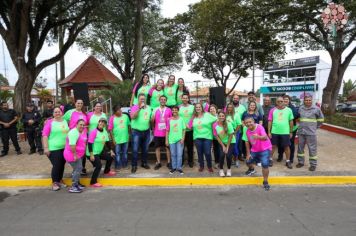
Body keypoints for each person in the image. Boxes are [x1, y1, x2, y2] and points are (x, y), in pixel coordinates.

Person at [42, 107, 69, 191]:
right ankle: (55, 182)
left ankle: (60, 180)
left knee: (62, 165)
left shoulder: (65, 121)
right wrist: (46, 148)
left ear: (62, 113)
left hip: (64, 148)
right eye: (55, 112)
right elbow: (45, 135)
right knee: (57, 165)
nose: (57, 113)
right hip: (53, 148)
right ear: (53, 114)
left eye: (59, 112)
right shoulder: (49, 123)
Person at [296, 96, 324, 171]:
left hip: (311, 133)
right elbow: (298, 118)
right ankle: (301, 162)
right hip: (301, 132)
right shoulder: (301, 108)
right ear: (304, 101)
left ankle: (313, 164)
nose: (308, 101)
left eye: (309, 100)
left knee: (312, 149)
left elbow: (321, 119)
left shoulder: (316, 109)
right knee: (300, 148)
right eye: (306, 100)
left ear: (311, 101)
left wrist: (315, 127)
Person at [87, 118, 116, 187]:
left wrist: (111, 151)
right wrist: (91, 155)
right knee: (98, 165)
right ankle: (93, 182)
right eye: (101, 122)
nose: (102, 123)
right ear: (98, 123)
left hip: (99, 152)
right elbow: (89, 143)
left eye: (104, 123)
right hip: (91, 153)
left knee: (110, 157)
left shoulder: (105, 132)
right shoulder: (94, 132)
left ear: (105, 125)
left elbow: (107, 142)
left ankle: (106, 171)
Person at [244, 117, 272, 191]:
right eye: (246, 123)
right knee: (248, 161)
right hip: (255, 150)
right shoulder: (247, 131)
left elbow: (265, 137)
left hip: (265, 149)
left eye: (250, 122)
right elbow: (247, 142)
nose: (248, 124)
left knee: (265, 164)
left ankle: (265, 181)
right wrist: (248, 153)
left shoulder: (259, 127)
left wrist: (258, 137)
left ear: (253, 121)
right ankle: (251, 169)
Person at [188, 103, 217, 172]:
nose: (198, 108)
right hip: (197, 137)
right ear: (195, 109)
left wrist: (214, 127)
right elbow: (189, 126)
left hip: (207, 137)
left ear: (202, 108)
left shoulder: (207, 114)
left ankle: (209, 166)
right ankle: (201, 166)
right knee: (199, 152)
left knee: (207, 152)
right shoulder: (194, 117)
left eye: (199, 107)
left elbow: (216, 119)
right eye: (196, 107)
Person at [63, 99, 88, 175]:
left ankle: (82, 168)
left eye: (81, 103)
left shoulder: (84, 113)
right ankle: (76, 170)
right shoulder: (70, 112)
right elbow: (62, 119)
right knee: (74, 151)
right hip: (74, 136)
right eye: (78, 103)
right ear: (75, 104)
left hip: (83, 135)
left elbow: (86, 124)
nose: (79, 104)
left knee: (82, 152)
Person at [268, 96, 294, 169]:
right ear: (276, 102)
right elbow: (270, 121)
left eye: (281, 101)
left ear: (284, 102)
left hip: (285, 132)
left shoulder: (289, 110)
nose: (280, 103)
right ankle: (270, 159)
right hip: (274, 132)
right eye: (278, 101)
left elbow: (291, 121)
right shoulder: (272, 110)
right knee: (272, 146)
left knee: (286, 147)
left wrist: (291, 131)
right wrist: (269, 132)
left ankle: (288, 161)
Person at [63, 119, 87, 193]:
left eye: (83, 125)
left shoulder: (80, 131)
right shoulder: (74, 132)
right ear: (76, 125)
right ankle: (74, 186)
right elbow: (72, 145)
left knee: (76, 169)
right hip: (72, 155)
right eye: (80, 124)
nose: (82, 126)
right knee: (78, 169)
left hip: (77, 154)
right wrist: (75, 155)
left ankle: (77, 183)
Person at [130, 94, 152, 173]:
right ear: (138, 100)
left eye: (143, 99)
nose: (142, 100)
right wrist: (139, 108)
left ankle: (144, 163)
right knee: (135, 149)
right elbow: (133, 117)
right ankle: (134, 165)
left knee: (145, 149)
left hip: (146, 131)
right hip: (136, 132)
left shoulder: (149, 108)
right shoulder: (134, 107)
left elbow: (150, 119)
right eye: (141, 99)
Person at [151, 95, 172, 170]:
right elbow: (152, 121)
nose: (163, 101)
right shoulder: (155, 109)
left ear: (166, 101)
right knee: (157, 148)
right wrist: (153, 128)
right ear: (159, 100)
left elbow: (171, 121)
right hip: (157, 133)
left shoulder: (169, 110)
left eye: (164, 99)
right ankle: (158, 162)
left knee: (167, 148)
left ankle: (169, 162)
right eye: (161, 99)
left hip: (166, 133)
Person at [213, 112, 236, 177]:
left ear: (225, 117)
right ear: (218, 117)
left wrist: (227, 147)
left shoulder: (228, 124)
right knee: (221, 155)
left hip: (231, 142)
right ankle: (221, 170)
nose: (221, 117)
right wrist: (223, 146)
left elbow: (231, 136)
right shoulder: (215, 125)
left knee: (228, 155)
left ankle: (229, 169)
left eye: (223, 116)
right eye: (220, 116)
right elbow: (216, 136)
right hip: (222, 142)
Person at [277, 95, 299, 163]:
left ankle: (291, 158)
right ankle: (280, 156)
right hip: (281, 129)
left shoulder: (292, 108)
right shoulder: (279, 108)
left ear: (289, 100)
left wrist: (291, 131)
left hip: (291, 129)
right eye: (284, 99)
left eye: (287, 99)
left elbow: (295, 116)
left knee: (290, 144)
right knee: (280, 144)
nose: (285, 100)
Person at [108, 105, 131, 170]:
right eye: (118, 110)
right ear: (115, 112)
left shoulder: (126, 116)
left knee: (125, 153)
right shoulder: (112, 118)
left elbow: (129, 126)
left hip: (125, 139)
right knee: (117, 154)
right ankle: (118, 166)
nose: (120, 111)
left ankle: (125, 165)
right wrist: (113, 140)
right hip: (117, 140)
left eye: (120, 109)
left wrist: (129, 135)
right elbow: (110, 130)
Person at [166, 106, 186, 175]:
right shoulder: (169, 120)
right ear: (171, 111)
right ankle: (174, 167)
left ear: (178, 111)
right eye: (173, 110)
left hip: (179, 139)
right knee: (173, 154)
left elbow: (184, 130)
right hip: (171, 140)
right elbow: (167, 131)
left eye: (176, 110)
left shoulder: (181, 119)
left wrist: (183, 138)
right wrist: (166, 140)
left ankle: (179, 168)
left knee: (179, 154)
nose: (174, 111)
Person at [178, 93, 195, 167]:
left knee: (190, 147)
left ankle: (190, 161)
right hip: (181, 131)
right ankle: (181, 161)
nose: (185, 99)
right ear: (181, 99)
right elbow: (178, 118)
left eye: (186, 98)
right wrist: (183, 125)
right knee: (181, 147)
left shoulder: (192, 107)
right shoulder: (179, 107)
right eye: (183, 98)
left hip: (190, 130)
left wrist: (190, 125)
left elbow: (194, 116)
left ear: (188, 99)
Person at [225, 102, 242, 167]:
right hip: (227, 133)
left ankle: (236, 160)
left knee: (234, 146)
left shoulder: (236, 115)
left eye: (231, 107)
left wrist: (235, 132)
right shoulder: (225, 115)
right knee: (229, 146)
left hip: (235, 132)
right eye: (228, 107)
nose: (229, 108)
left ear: (233, 108)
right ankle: (231, 160)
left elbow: (239, 124)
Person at [209, 104, 220, 169]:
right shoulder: (207, 117)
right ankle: (210, 162)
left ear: (216, 109)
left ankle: (217, 162)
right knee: (209, 150)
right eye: (210, 109)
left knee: (217, 150)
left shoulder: (219, 117)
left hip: (217, 136)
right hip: (209, 136)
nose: (212, 110)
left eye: (213, 109)